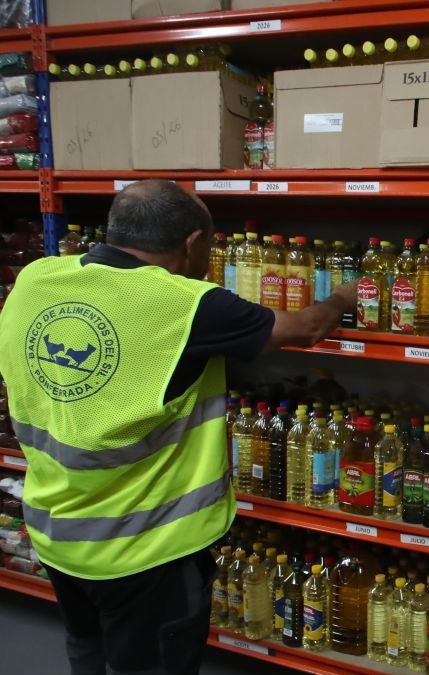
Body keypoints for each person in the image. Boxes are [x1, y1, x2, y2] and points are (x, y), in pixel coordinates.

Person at [0, 180, 356, 675]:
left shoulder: (36, 278)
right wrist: (343, 294)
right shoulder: (188, 304)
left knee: (87, 651)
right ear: (192, 243)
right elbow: (306, 327)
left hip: (56, 531)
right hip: (145, 550)